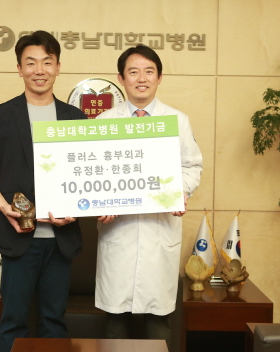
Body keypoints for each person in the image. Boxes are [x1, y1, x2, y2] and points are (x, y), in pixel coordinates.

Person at [0, 30, 86, 352]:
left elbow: (86, 176)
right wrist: (3, 205)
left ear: (58, 67)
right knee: (14, 321)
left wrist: (76, 211)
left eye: (47, 62)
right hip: (18, 237)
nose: (39, 70)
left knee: (54, 321)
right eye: (31, 63)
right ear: (19, 69)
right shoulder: (1, 115)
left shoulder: (75, 118)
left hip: (61, 241)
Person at [95, 44, 203, 346]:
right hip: (119, 233)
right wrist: (101, 203)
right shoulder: (104, 123)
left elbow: (191, 166)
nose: (141, 78)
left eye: (148, 71)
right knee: (115, 321)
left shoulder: (177, 120)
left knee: (159, 322)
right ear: (121, 78)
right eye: (133, 72)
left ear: (159, 77)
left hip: (160, 230)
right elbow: (96, 175)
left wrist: (180, 191)